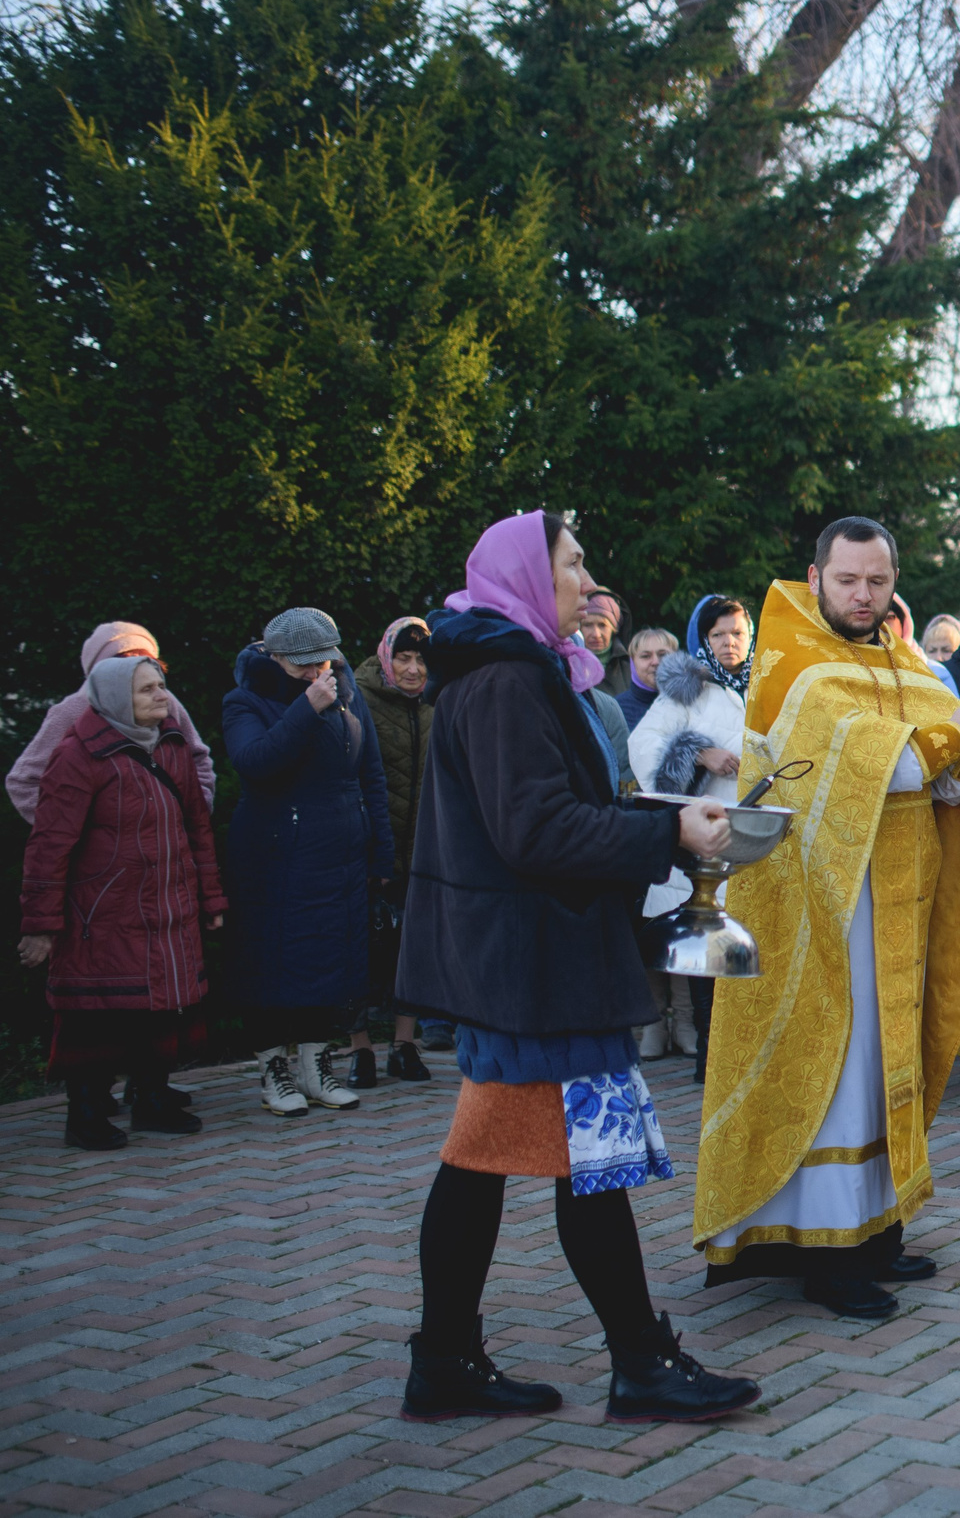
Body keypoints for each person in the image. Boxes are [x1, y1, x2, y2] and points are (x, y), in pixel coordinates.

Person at [395, 509, 756, 1423]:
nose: (588, 581)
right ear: (525, 575)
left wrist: (647, 816)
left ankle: (448, 1362)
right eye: (572, 562)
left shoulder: (512, 673)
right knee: (573, 1168)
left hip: (528, 964)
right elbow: (536, 831)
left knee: (505, 1166)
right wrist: (666, 829)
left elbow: (547, 811)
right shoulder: (510, 681)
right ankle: (636, 1363)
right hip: (534, 969)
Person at [694, 520, 960, 1318]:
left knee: (880, 1067)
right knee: (837, 1071)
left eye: (876, 582)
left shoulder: (909, 660)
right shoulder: (793, 665)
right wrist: (951, 736)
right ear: (816, 576)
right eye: (847, 581)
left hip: (898, 902)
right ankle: (826, 1253)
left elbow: (941, 783)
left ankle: (874, 1228)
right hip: (821, 911)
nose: (863, 596)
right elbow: (875, 765)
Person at [18, 656, 225, 1149]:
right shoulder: (78, 755)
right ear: (115, 701)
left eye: (162, 686)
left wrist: (211, 896)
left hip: (168, 908)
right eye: (148, 690)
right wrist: (41, 925)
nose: (162, 696)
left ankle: (152, 1099)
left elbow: (198, 825)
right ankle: (85, 1113)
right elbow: (50, 844)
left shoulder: (172, 743)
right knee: (97, 1015)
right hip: (104, 913)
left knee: (162, 1010)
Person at [224, 609, 395, 1118]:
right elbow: (254, 763)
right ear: (271, 657)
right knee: (273, 965)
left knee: (332, 963)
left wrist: (380, 850)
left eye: (321, 661)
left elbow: (371, 774)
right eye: (300, 665)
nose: (313, 671)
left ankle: (317, 1067)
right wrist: (305, 709)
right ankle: (274, 1072)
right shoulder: (245, 699)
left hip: (342, 853)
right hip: (275, 856)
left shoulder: (344, 688)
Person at [629, 596, 752, 1068]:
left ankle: (743, 1050)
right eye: (718, 634)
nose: (728, 642)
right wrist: (699, 755)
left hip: (755, 830)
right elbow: (644, 742)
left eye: (736, 632)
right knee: (708, 938)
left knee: (750, 933)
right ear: (704, 639)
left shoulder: (769, 683)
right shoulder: (689, 689)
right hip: (707, 832)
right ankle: (708, 1051)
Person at [9, 623, 216, 821]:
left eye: (146, 661)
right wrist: (76, 828)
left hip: (170, 851)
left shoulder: (166, 702)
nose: (136, 669)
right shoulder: (72, 711)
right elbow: (24, 782)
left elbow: (197, 758)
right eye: (124, 661)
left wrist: (193, 811)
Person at [349, 619, 436, 1086]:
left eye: (421, 660)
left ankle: (405, 1045)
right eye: (403, 657)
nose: (412, 668)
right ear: (386, 657)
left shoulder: (431, 708)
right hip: (369, 852)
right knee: (360, 953)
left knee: (413, 952)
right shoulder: (359, 701)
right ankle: (359, 1049)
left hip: (420, 854)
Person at [617, 627, 679, 730]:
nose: (655, 662)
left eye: (663, 655)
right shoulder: (618, 709)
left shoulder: (693, 702)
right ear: (632, 662)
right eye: (646, 656)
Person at [578, 590, 634, 699]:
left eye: (602, 625)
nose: (596, 634)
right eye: (588, 625)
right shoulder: (569, 663)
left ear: (615, 628)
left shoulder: (632, 666)